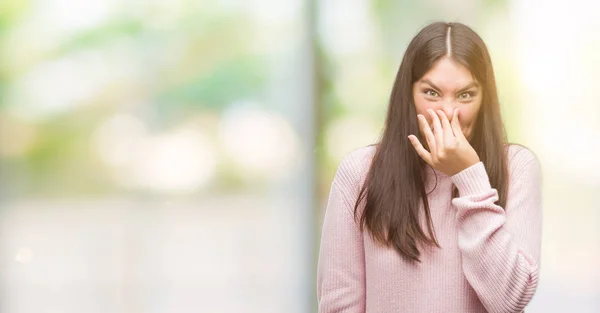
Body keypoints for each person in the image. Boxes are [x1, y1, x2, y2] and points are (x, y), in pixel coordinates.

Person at [316, 21, 542, 313]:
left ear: (484, 99)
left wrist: (470, 177)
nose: (448, 112)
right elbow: (339, 304)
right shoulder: (359, 173)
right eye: (432, 93)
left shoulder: (517, 168)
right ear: (408, 95)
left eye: (465, 95)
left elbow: (509, 301)